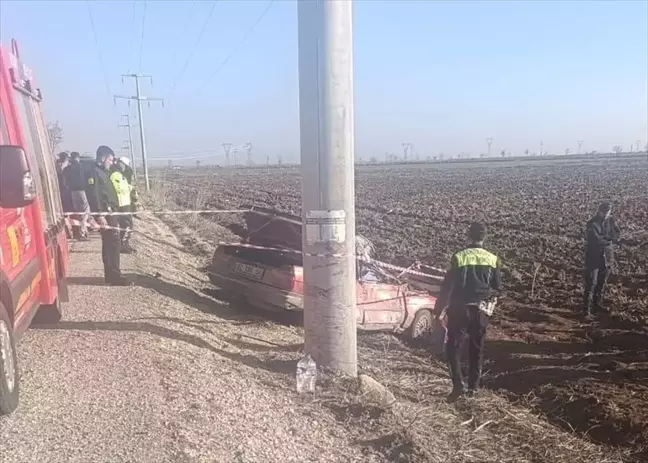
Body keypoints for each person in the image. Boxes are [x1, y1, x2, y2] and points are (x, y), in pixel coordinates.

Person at [434, 222, 502, 401]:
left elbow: (448, 286)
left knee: (452, 348)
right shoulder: (493, 259)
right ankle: (474, 388)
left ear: (468, 235)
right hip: (481, 311)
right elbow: (497, 287)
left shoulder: (459, 257)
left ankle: (458, 386)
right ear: (484, 237)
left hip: (460, 309)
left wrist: (438, 310)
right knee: (476, 349)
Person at [86, 145, 128, 285]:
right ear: (103, 158)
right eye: (110, 159)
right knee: (111, 243)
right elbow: (94, 195)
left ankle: (113, 275)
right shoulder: (94, 173)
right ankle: (113, 276)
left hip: (111, 213)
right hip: (106, 214)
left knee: (113, 244)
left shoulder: (103, 172)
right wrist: (99, 215)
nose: (112, 162)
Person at [584, 202, 620, 316]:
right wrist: (608, 240)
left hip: (607, 257)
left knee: (602, 282)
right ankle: (586, 309)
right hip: (594, 257)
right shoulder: (591, 223)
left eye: (608, 212)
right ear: (599, 211)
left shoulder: (611, 220)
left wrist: (607, 239)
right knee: (591, 282)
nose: (605, 214)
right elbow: (595, 240)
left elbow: (617, 235)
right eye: (604, 212)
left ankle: (597, 304)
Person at [110, 157, 136, 253]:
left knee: (127, 226)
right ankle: (122, 244)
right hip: (121, 204)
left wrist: (132, 189)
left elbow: (125, 188)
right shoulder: (115, 175)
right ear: (121, 164)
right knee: (126, 225)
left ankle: (125, 243)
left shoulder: (121, 174)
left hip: (125, 203)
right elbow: (116, 190)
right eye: (125, 166)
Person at [64, 151, 91, 240]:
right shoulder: (82, 167)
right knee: (86, 212)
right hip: (82, 191)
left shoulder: (68, 168)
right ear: (78, 158)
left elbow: (65, 180)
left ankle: (82, 231)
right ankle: (82, 231)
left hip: (72, 192)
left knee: (78, 212)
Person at [56, 152, 74, 238]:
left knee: (66, 213)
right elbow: (62, 178)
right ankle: (66, 231)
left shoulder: (65, 168)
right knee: (65, 213)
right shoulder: (60, 167)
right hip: (63, 192)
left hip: (63, 191)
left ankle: (67, 231)